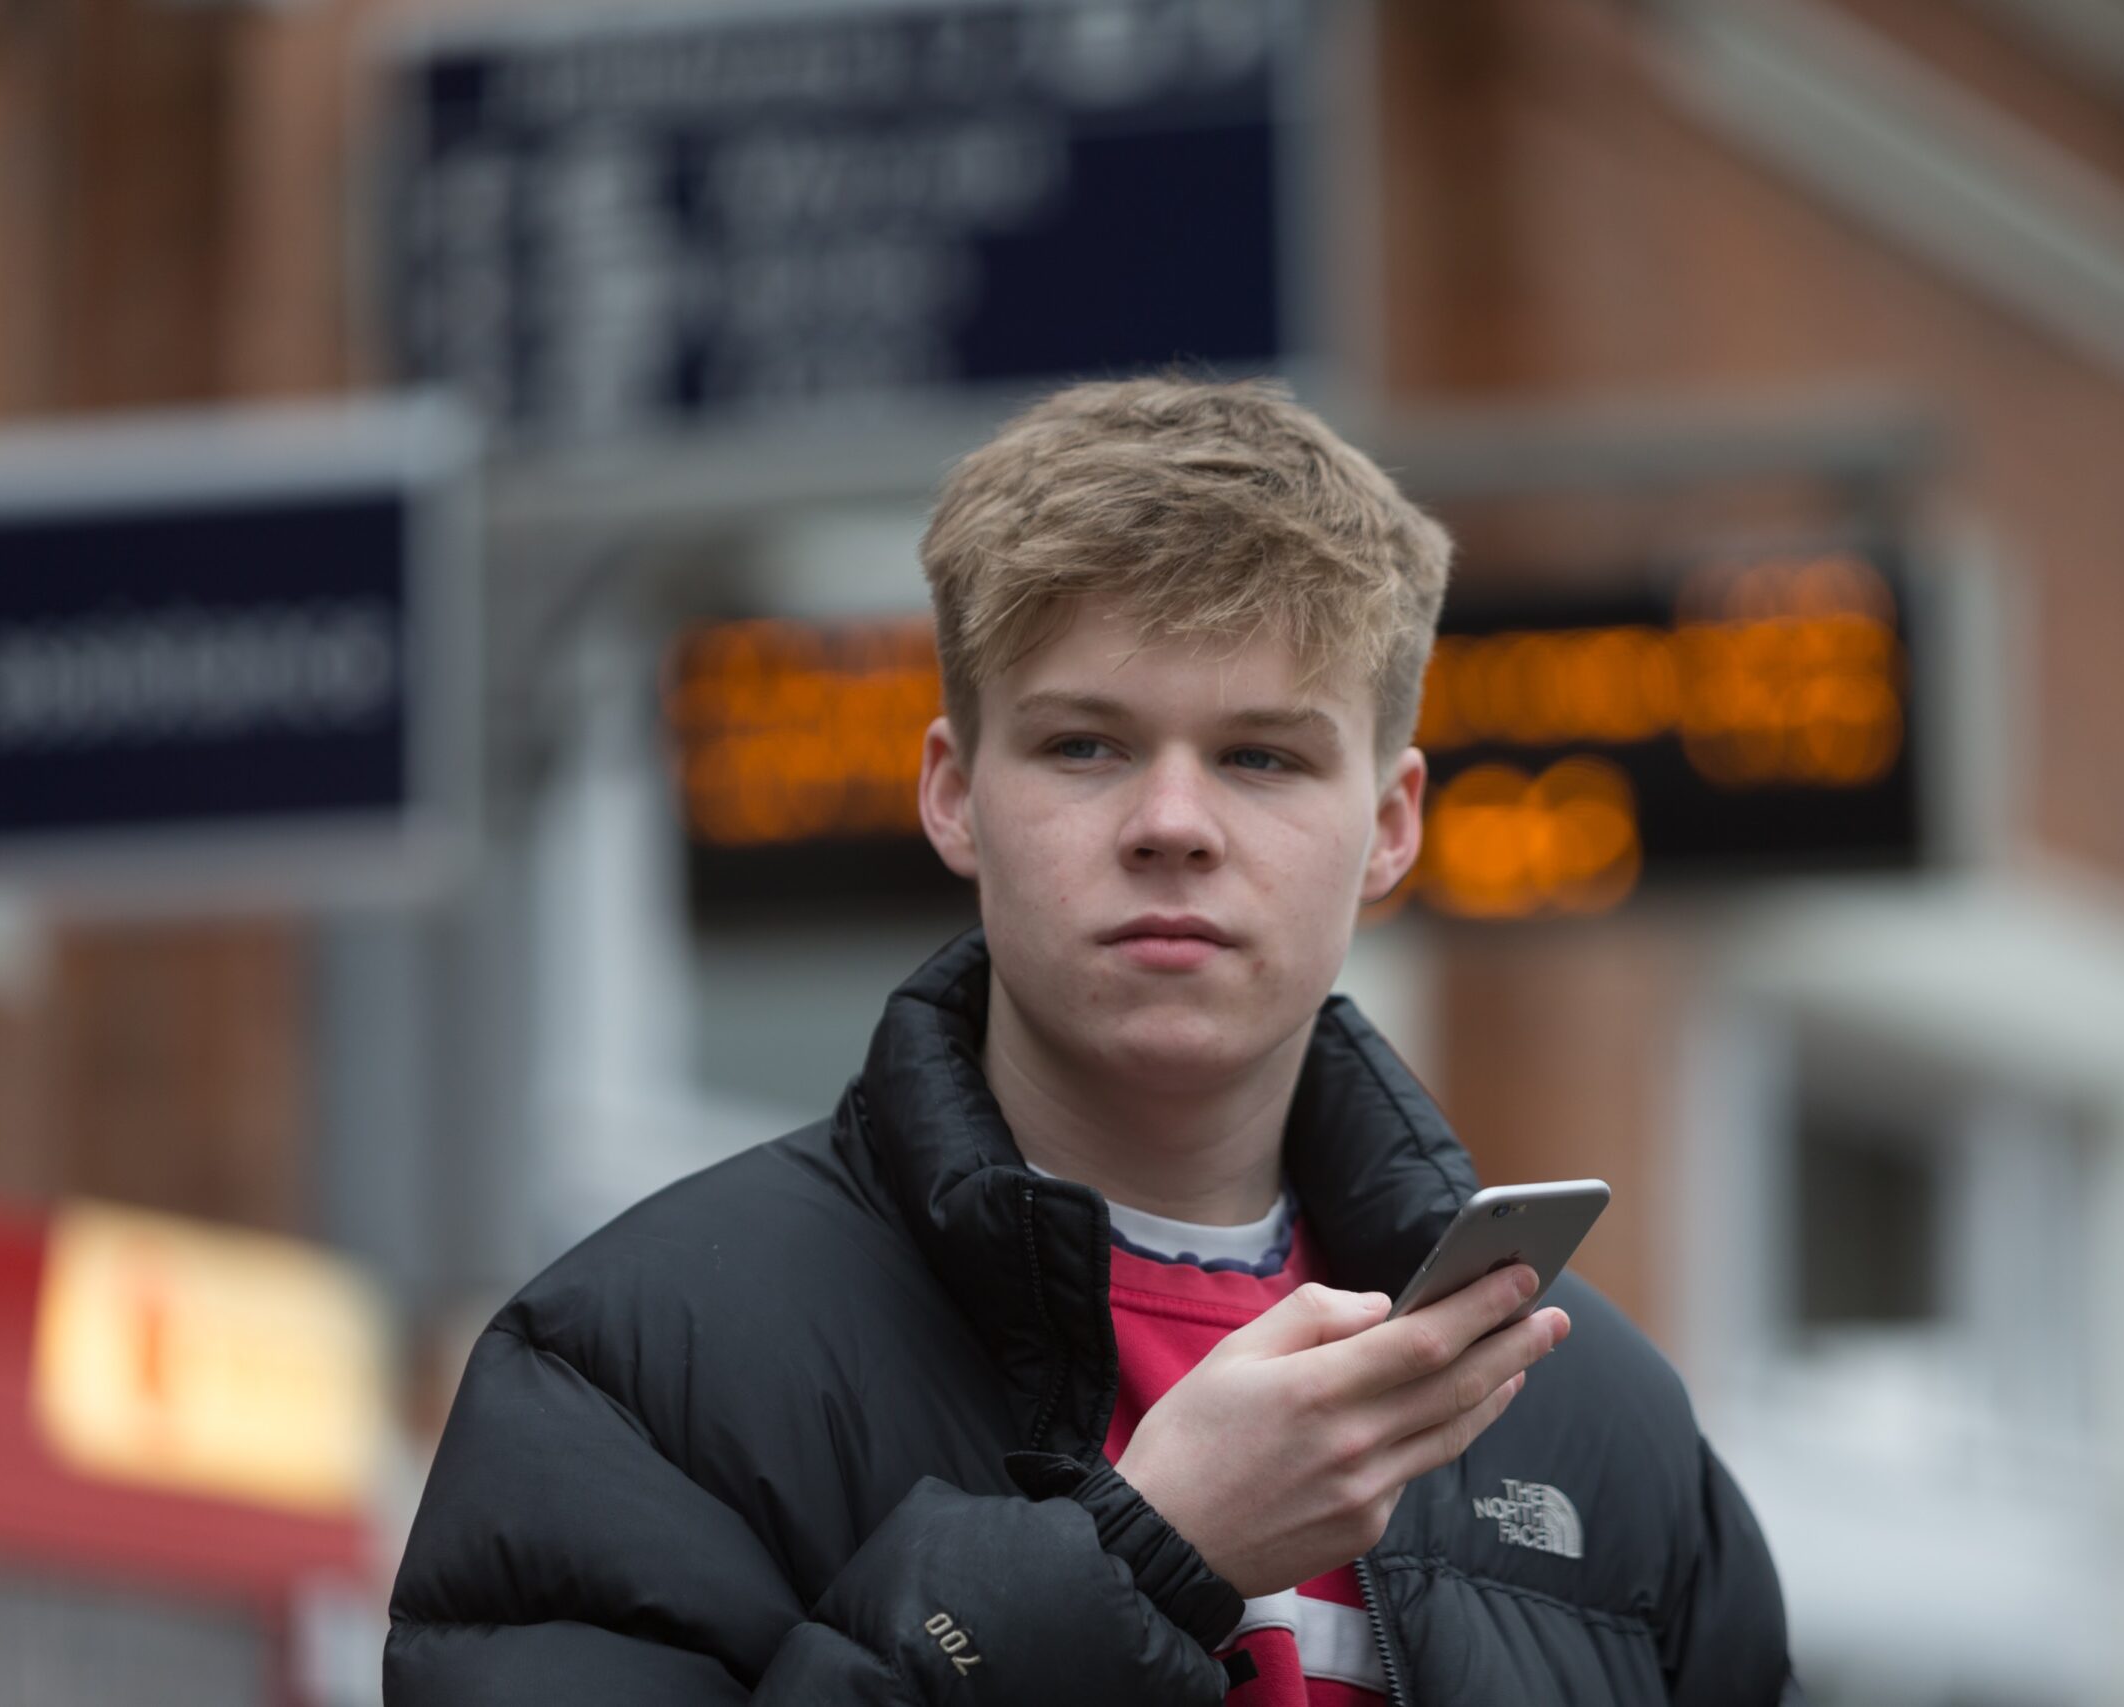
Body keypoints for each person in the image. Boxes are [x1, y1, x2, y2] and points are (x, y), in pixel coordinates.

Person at [386, 376, 1800, 1705]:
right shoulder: (634, 1375)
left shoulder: (1599, 1426)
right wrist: (1137, 1558)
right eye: (1085, 746)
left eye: (1263, 756)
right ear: (952, 794)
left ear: (1389, 825)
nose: (1172, 822)